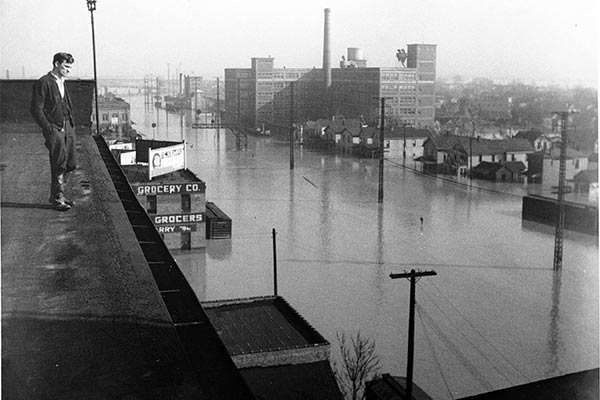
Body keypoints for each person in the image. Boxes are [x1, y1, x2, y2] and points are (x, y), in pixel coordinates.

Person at [31, 52, 77, 211]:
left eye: (70, 67)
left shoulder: (62, 81)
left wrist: (70, 124)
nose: (68, 70)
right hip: (55, 128)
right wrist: (49, 129)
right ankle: (58, 198)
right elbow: (36, 109)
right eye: (66, 66)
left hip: (68, 126)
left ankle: (58, 195)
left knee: (71, 163)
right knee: (59, 163)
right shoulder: (44, 82)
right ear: (56, 64)